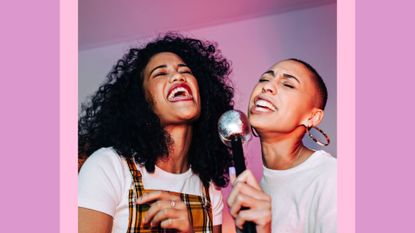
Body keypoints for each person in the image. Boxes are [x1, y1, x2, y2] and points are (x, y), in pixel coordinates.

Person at [78, 33, 234, 233]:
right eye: (160, 73)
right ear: (141, 101)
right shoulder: (108, 166)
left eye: (185, 71)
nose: (178, 76)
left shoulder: (209, 189)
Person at [228, 59, 336, 233]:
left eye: (288, 84)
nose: (267, 87)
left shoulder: (333, 177)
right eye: (264, 79)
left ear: (312, 117)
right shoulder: (256, 192)